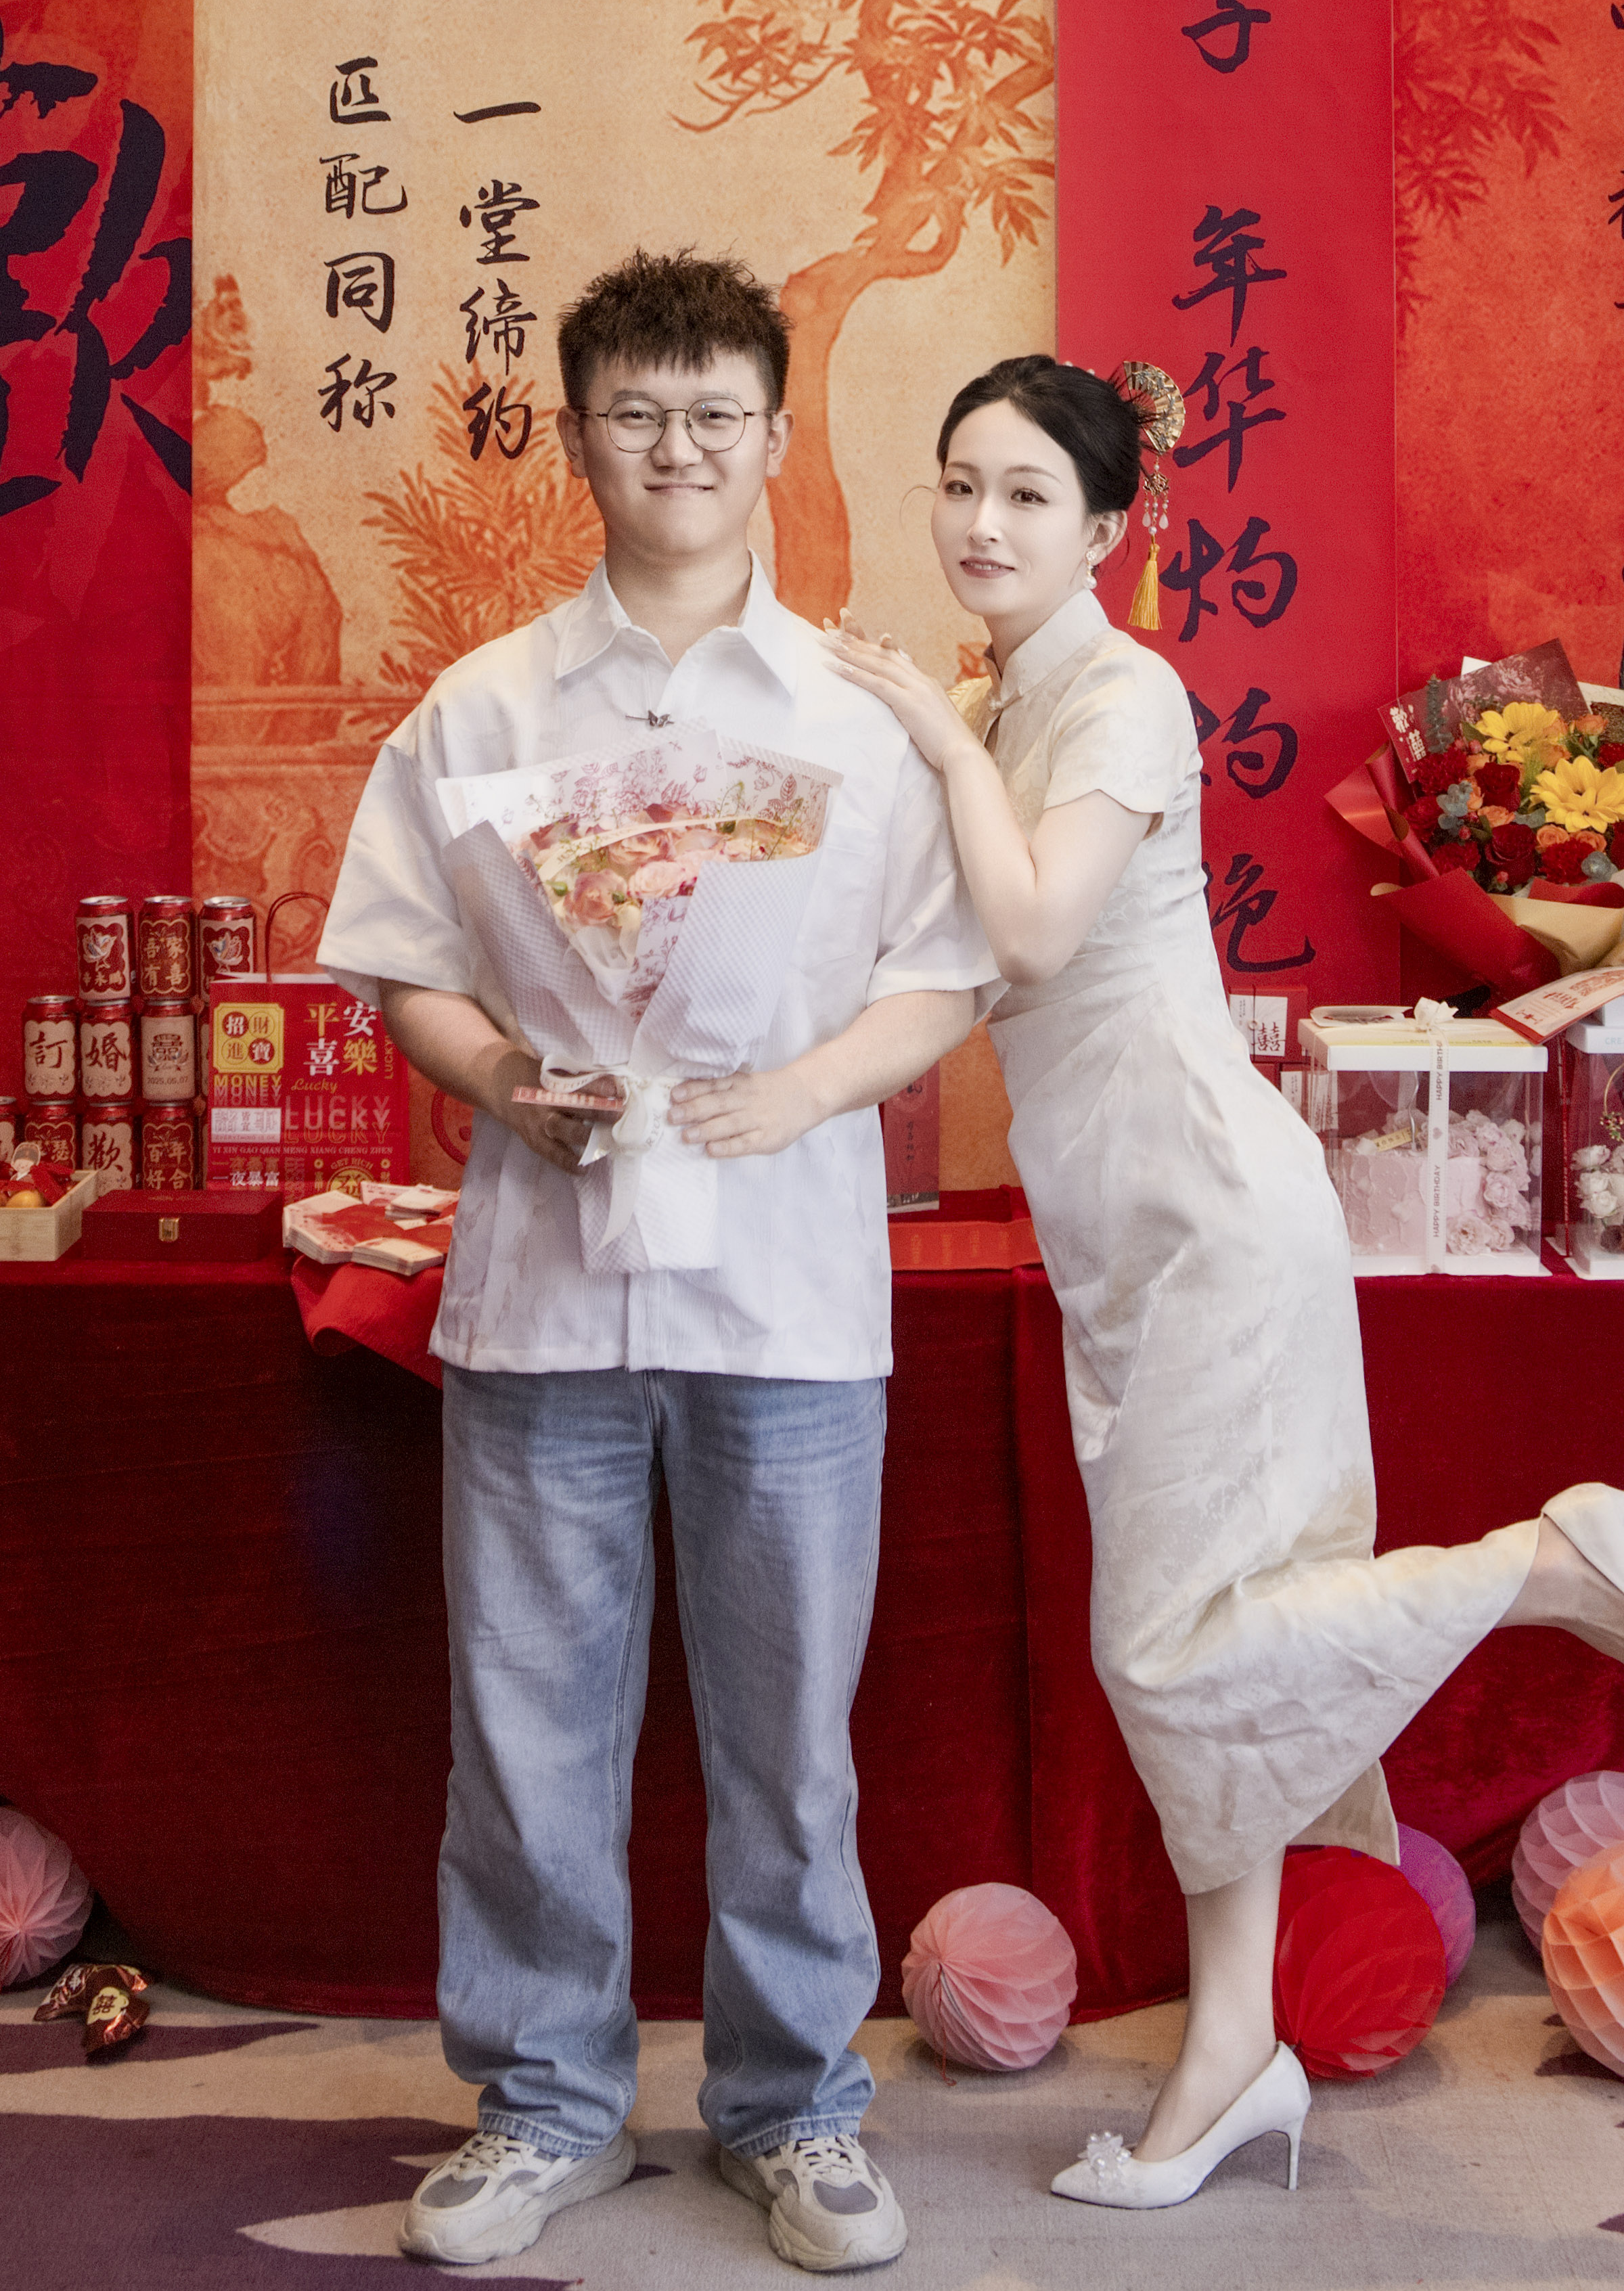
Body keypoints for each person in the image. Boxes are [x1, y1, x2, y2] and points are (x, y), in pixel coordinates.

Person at [826, 354, 1624, 2213]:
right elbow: (943, 969)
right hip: (1131, 1231)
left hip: (1212, 1219)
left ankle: (1545, 1567)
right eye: (958, 484)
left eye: (1026, 496)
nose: (980, 523)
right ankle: (1235, 2052)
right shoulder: (1009, 702)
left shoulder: (1121, 697)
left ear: (1107, 527)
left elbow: (1033, 926)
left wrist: (930, 741)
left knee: (1166, 1644)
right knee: (1213, 1639)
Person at [319, 251, 993, 2273]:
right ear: (576, 437)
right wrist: (501, 1083)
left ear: (777, 439)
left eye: (715, 415)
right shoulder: (485, 703)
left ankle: (795, 2111)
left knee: (790, 1734)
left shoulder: (864, 716)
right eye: (636, 413)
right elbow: (403, 964)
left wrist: (802, 1093)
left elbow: (946, 972)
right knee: (525, 1725)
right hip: (547, 1282)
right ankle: (545, 2107)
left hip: (789, 1287)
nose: (677, 448)